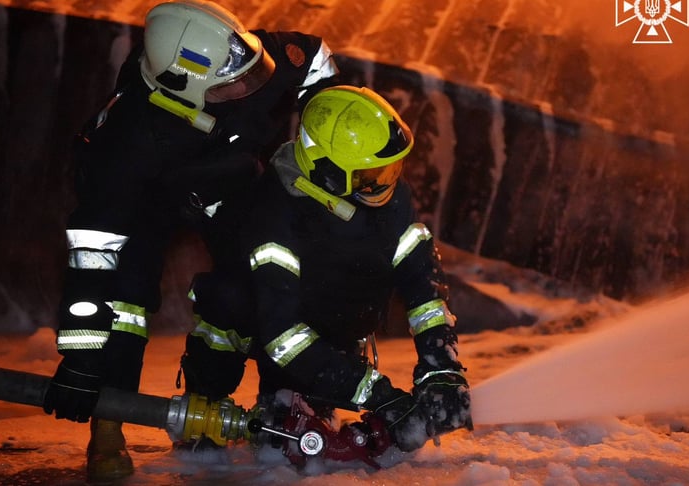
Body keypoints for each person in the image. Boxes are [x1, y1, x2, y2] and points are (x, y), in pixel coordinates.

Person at [41, 0, 339, 480]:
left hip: (224, 177)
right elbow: (92, 261)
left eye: (251, 71)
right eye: (231, 86)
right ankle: (110, 425)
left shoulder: (245, 60)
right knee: (125, 302)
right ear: (183, 90)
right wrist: (81, 363)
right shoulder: (124, 147)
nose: (249, 88)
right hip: (143, 199)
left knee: (271, 271)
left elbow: (315, 57)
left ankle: (286, 402)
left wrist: (329, 131)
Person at [180, 85, 472, 456]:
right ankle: (205, 397)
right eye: (375, 172)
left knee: (288, 444)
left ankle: (292, 398)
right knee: (228, 300)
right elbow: (283, 336)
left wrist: (440, 369)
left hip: (332, 331)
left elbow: (422, 283)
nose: (389, 180)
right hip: (271, 324)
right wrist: (377, 394)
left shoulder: (389, 197)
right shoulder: (274, 214)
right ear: (331, 175)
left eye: (392, 167)